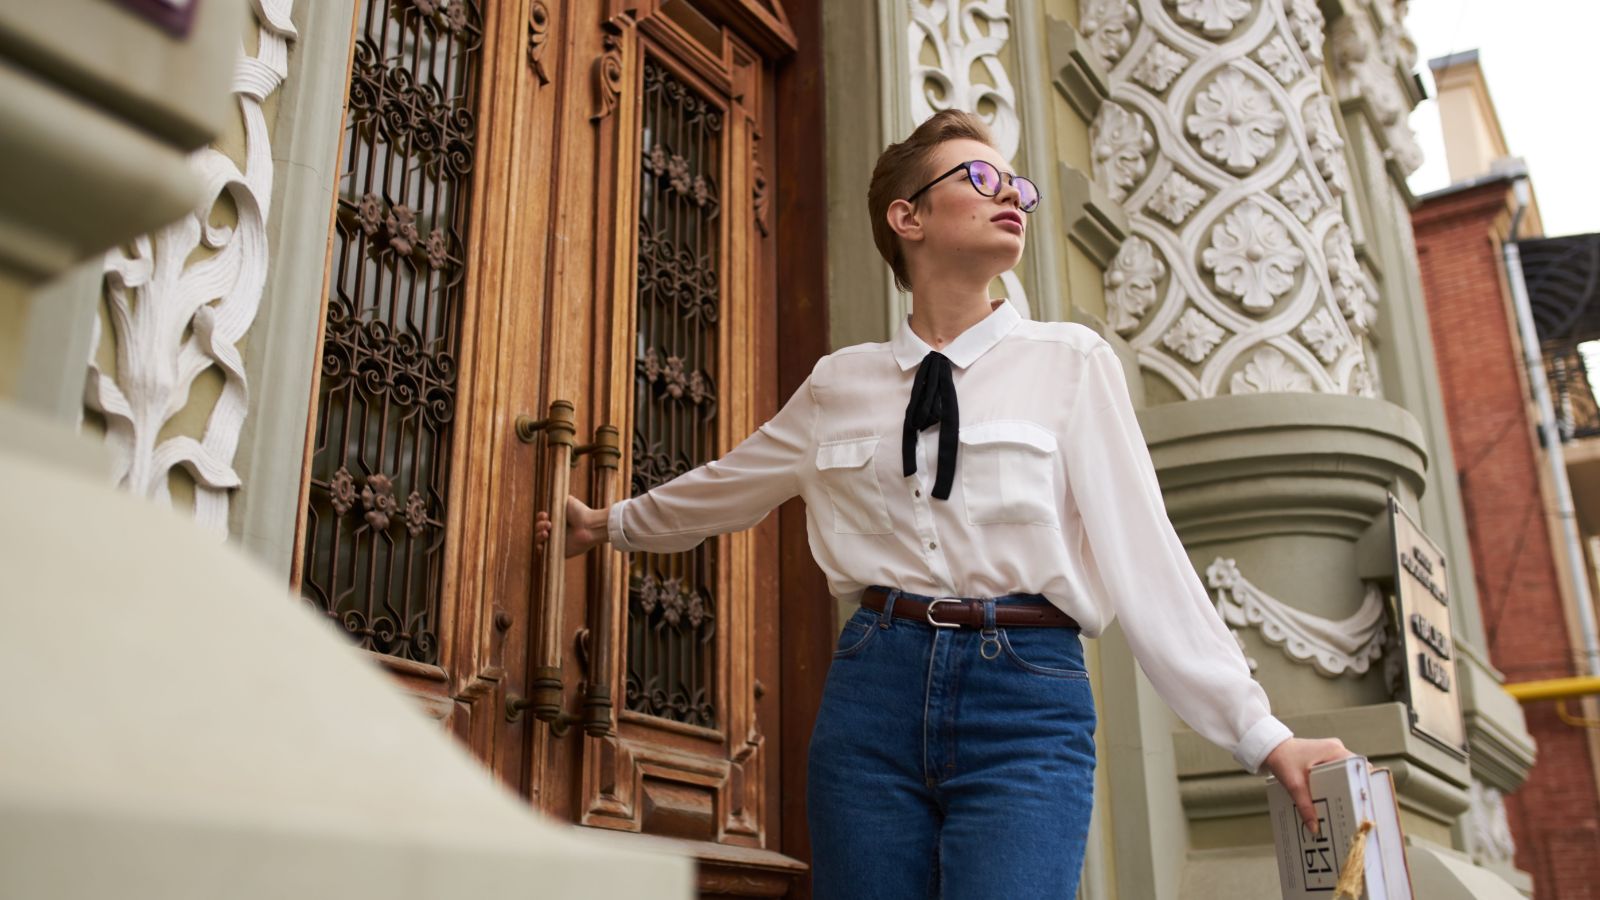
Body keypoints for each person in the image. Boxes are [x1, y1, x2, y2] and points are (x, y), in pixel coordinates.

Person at [537, 109, 1351, 898]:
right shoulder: (839, 385)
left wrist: (1260, 733)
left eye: (1019, 186)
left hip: (1026, 701)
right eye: (984, 177)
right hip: (872, 695)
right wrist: (606, 526)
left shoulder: (1070, 364)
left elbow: (1146, 557)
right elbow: (730, 486)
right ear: (908, 216)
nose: (1014, 196)